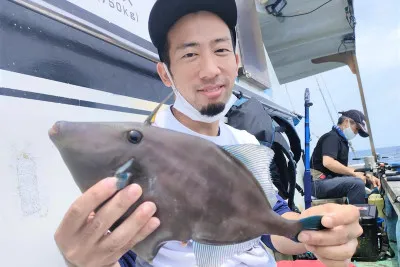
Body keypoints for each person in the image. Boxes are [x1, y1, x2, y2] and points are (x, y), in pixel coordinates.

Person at [53, 1, 363, 266]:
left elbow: (274, 223)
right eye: (190, 54)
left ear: (236, 61)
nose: (211, 69)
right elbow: (124, 252)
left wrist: (319, 231)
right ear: (165, 72)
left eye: (221, 49)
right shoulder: (138, 152)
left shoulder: (245, 142)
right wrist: (81, 261)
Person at [310, 109, 381, 204]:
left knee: (364, 181)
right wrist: (355, 173)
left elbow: (341, 169)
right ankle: (358, 217)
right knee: (356, 184)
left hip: (327, 180)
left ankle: (361, 212)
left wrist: (367, 177)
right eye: (357, 129)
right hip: (317, 183)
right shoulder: (331, 137)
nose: (356, 133)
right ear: (346, 122)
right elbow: (328, 162)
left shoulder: (341, 140)